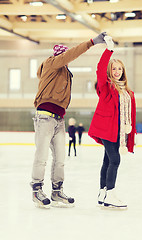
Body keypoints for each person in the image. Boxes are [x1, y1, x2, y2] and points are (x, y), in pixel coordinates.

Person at [30, 32, 107, 208]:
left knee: (60, 159)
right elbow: (70, 55)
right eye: (63, 56)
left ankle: (57, 191)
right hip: (45, 117)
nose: (66, 59)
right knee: (41, 156)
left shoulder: (65, 72)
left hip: (59, 119)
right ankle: (36, 189)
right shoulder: (51, 62)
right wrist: (92, 42)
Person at [88, 36, 136, 209]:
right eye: (114, 69)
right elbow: (100, 69)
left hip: (120, 131)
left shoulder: (127, 91)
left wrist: (132, 132)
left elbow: (131, 114)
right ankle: (111, 193)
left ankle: (103, 192)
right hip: (106, 129)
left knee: (108, 161)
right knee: (115, 160)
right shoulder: (106, 87)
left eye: (120, 69)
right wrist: (109, 50)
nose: (117, 72)